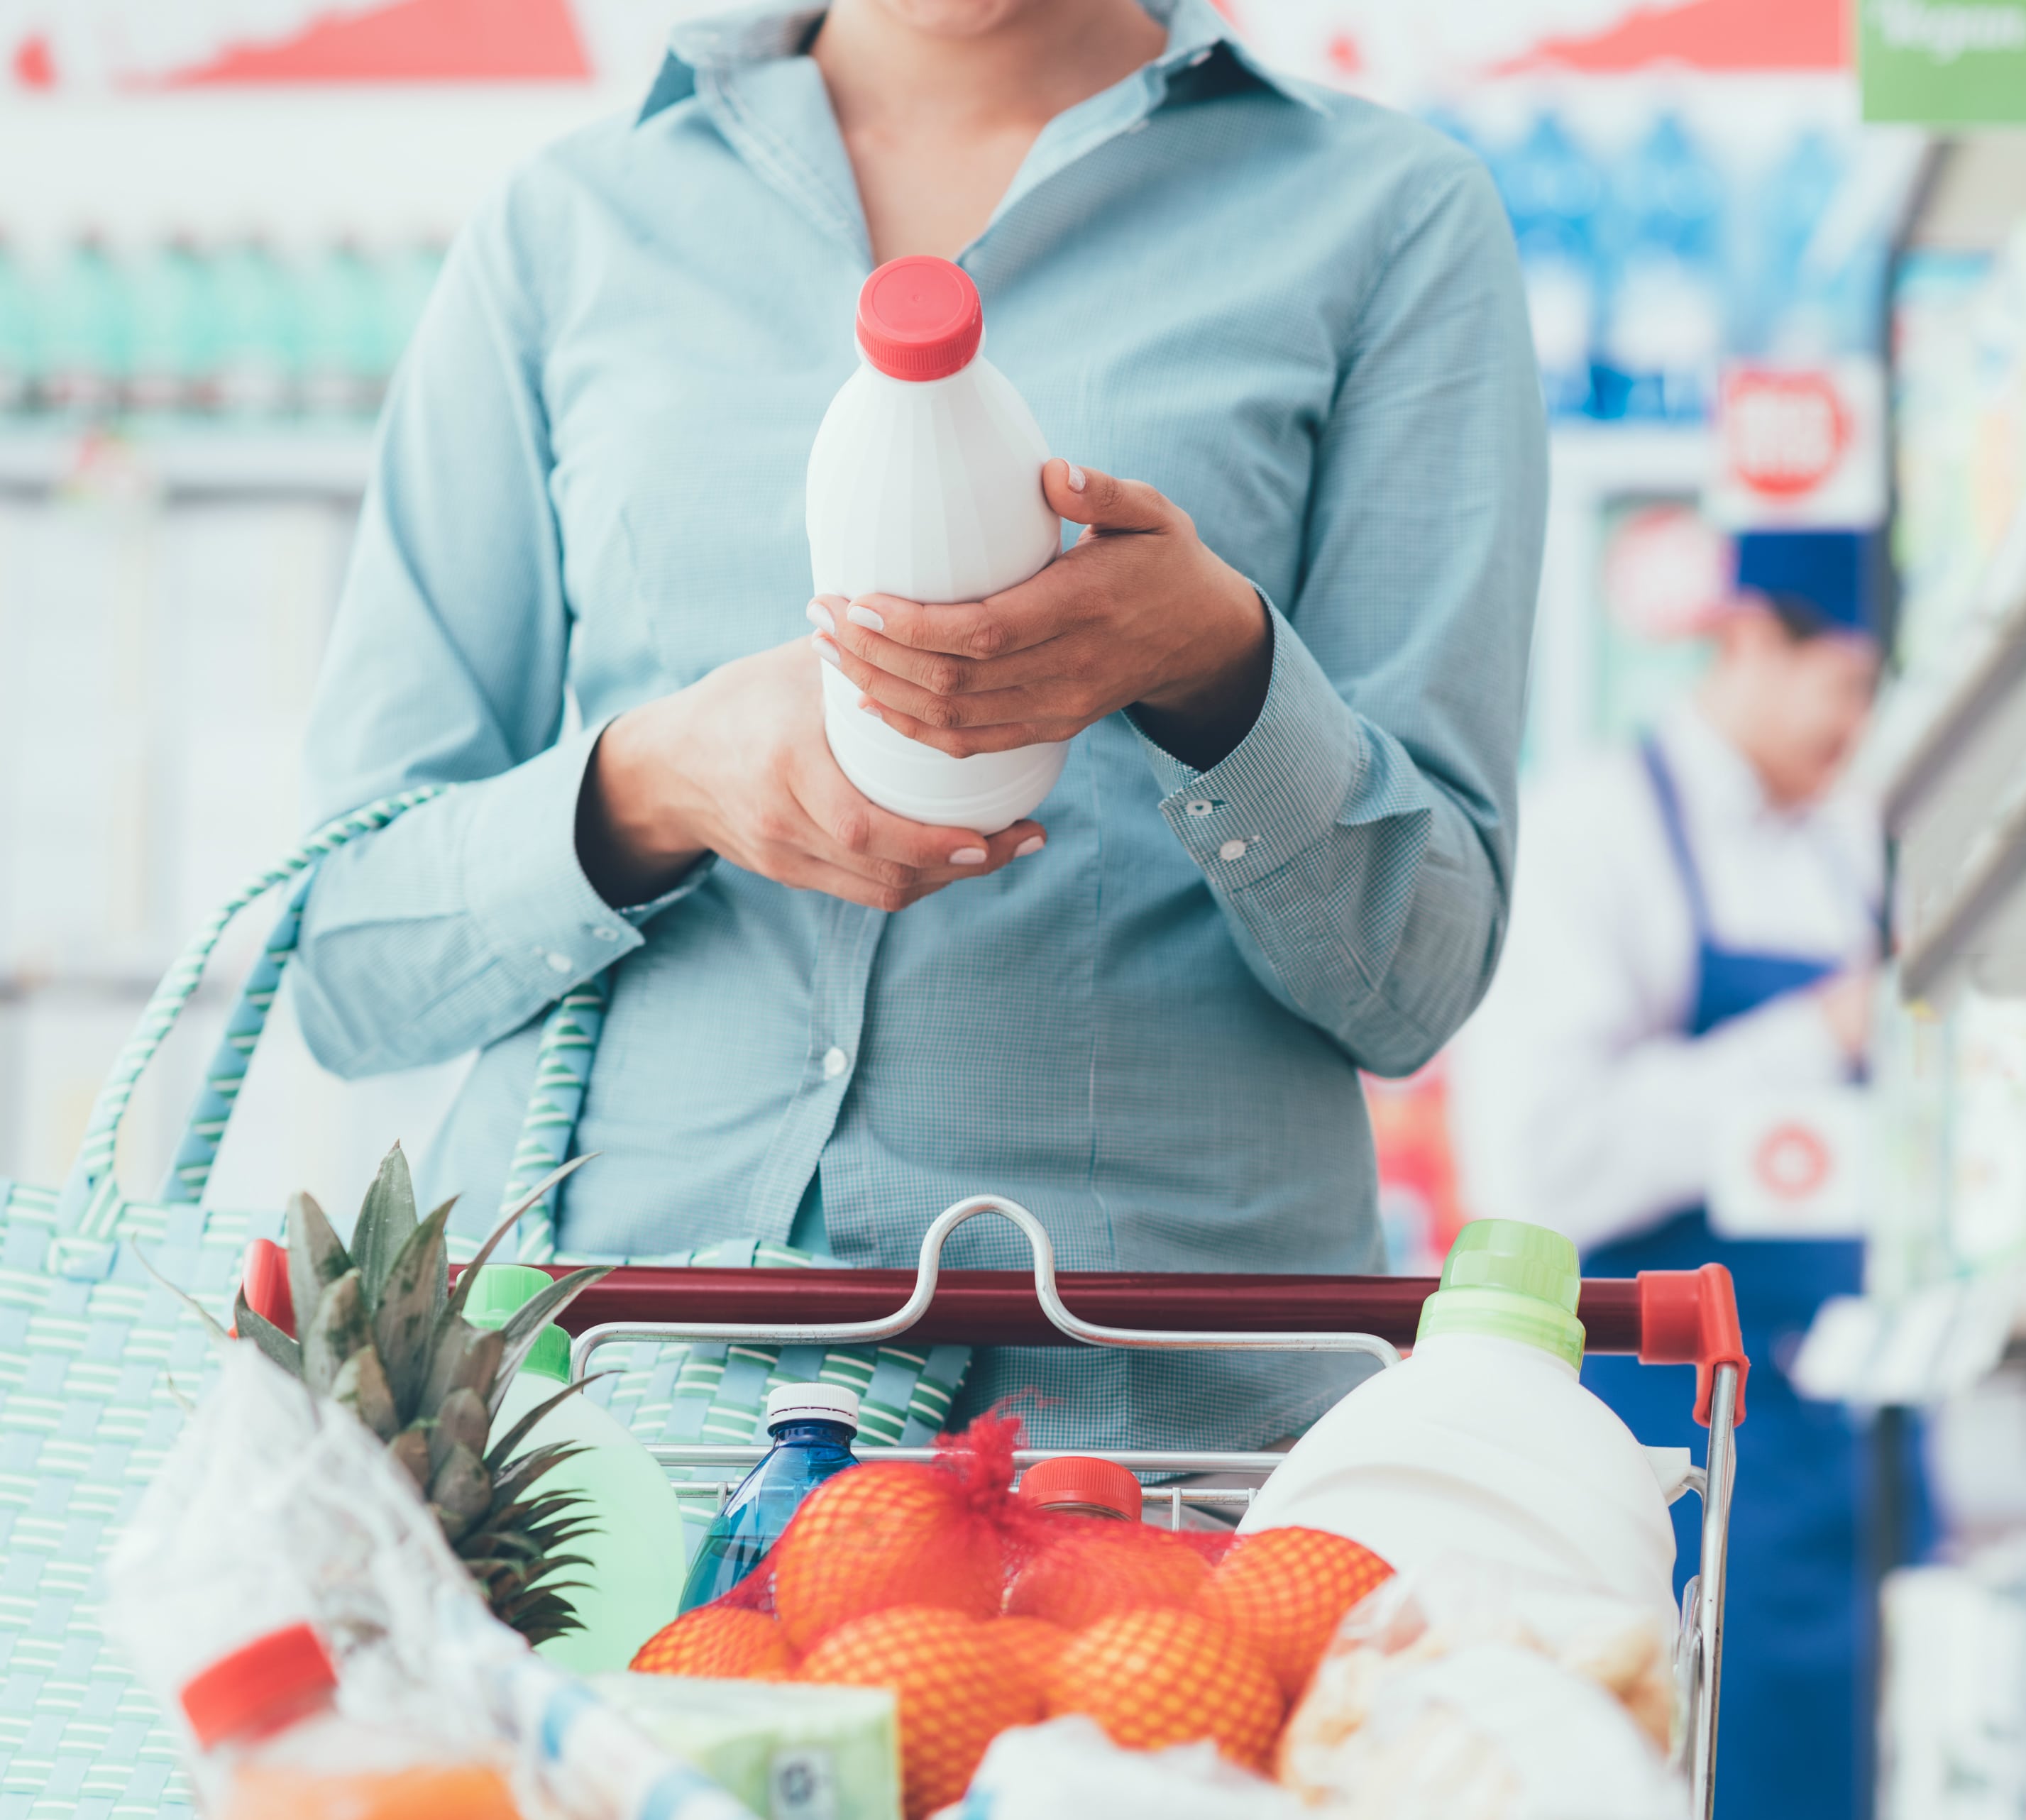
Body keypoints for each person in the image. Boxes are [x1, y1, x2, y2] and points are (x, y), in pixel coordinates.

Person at [286, 0, 1543, 1452]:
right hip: (601, 1432)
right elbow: (344, 959)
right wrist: (647, 789)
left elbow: (1415, 983)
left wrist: (1217, 666)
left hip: (1139, 1448)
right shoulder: (572, 227)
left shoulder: (1385, 219)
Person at [1453, 527, 1886, 1816]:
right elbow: (1543, 1161)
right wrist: (1819, 1036)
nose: (1860, 729)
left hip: (1833, 1449)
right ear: (1749, 637)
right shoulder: (1598, 831)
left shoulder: (1844, 852)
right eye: (1848, 688)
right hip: (1662, 1448)